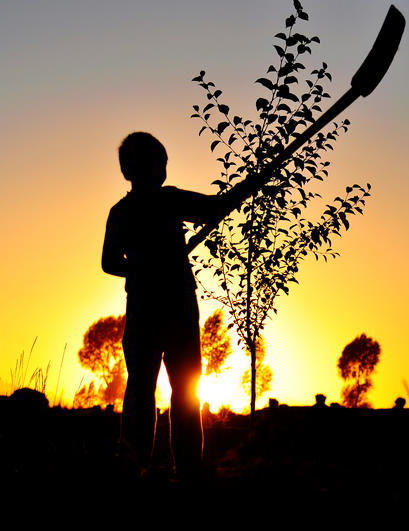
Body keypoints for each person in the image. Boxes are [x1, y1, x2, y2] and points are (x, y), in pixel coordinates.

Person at [102, 131, 234, 479]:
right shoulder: (155, 204)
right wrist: (147, 266)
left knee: (167, 387)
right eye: (157, 164)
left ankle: (174, 469)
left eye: (162, 163)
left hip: (159, 305)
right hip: (164, 306)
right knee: (155, 388)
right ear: (133, 170)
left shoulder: (131, 209)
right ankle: (156, 468)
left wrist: (232, 197)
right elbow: (110, 262)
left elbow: (212, 209)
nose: (162, 169)